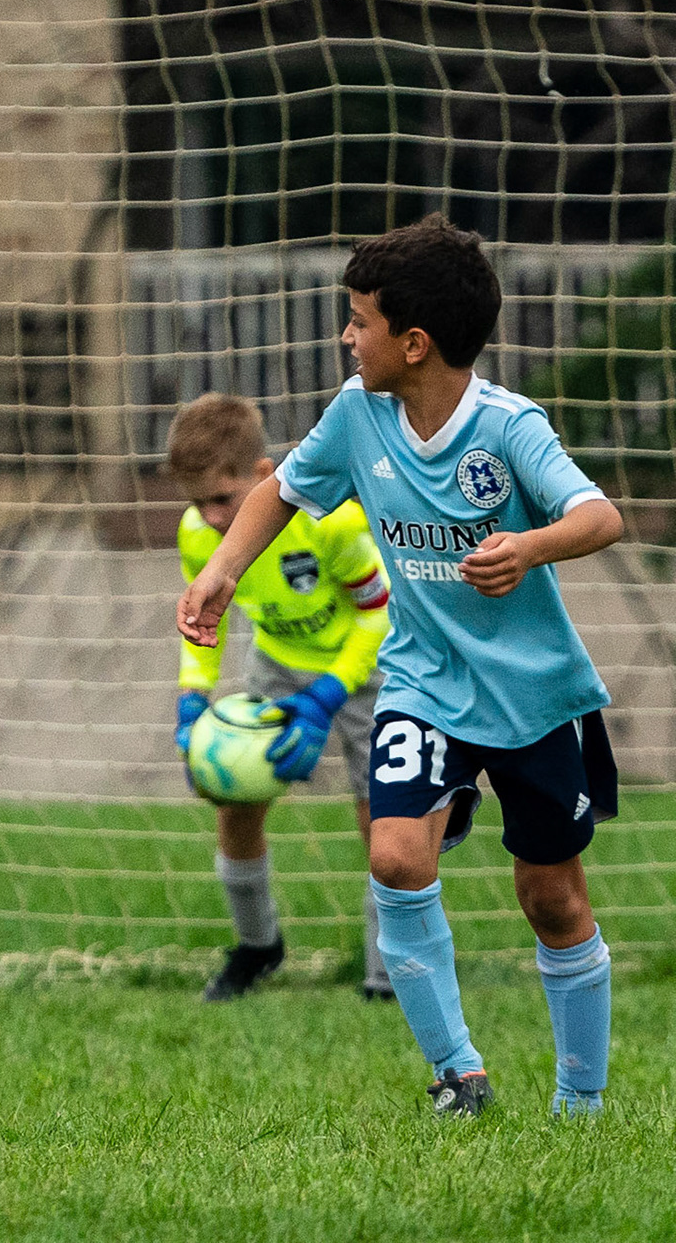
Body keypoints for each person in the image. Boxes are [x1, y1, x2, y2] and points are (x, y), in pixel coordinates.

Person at [178, 214, 623, 1116]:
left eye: (360, 320)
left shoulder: (508, 429)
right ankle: (460, 1074)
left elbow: (600, 516)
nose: (347, 336)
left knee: (553, 903)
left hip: (534, 696)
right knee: (393, 856)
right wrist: (222, 572)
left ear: (414, 343)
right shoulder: (357, 416)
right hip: (420, 683)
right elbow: (280, 489)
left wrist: (529, 547)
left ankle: (582, 1101)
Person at [166, 393, 393, 1002]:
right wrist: (193, 697)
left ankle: (386, 975)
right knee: (234, 805)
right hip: (275, 665)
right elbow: (205, 623)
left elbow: (380, 614)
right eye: (198, 502)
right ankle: (257, 946)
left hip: (367, 669)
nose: (211, 517)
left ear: (263, 476)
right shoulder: (196, 534)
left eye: (223, 498)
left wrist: (327, 698)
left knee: (385, 828)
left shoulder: (331, 522)